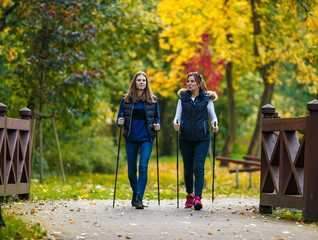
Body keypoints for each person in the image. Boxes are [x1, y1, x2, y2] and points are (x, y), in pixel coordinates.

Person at [173, 72, 219, 210]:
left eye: (192, 81)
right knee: (188, 169)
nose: (189, 83)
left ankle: (198, 198)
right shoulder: (183, 99)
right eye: (188, 81)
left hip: (202, 138)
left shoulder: (206, 100)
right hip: (185, 138)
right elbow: (177, 117)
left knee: (198, 167)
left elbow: (213, 117)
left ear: (199, 83)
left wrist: (215, 125)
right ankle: (189, 195)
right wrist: (176, 124)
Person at [117, 71, 160, 209]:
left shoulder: (153, 100)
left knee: (143, 167)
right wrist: (120, 121)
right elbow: (119, 118)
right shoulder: (126, 100)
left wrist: (157, 125)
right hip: (131, 137)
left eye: (144, 80)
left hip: (147, 137)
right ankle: (136, 194)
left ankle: (139, 198)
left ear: (147, 83)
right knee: (131, 170)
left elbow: (157, 118)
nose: (141, 82)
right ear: (134, 83)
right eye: (139, 80)